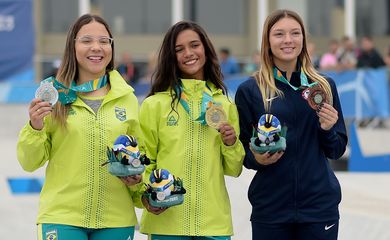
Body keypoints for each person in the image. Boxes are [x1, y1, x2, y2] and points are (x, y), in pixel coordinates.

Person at [17, 14, 143, 240]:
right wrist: (35, 127)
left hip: (115, 220)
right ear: (72, 46)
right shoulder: (53, 95)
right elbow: (29, 162)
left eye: (104, 41)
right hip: (62, 218)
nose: (96, 47)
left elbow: (139, 157)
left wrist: (137, 180)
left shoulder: (128, 99)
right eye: (87, 40)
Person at [235, 9, 348, 240]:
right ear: (267, 41)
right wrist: (257, 158)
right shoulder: (251, 90)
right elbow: (242, 151)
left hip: (318, 208)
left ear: (304, 39)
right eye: (279, 34)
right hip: (271, 208)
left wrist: (327, 129)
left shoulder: (324, 86)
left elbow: (336, 150)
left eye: (295, 33)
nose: (288, 40)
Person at [138, 20, 245, 239]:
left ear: (205, 48)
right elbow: (144, 162)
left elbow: (234, 169)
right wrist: (148, 196)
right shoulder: (155, 105)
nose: (188, 53)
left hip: (213, 224)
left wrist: (231, 143)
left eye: (194, 45)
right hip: (166, 224)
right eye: (179, 49)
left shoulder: (224, 105)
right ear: (171, 57)